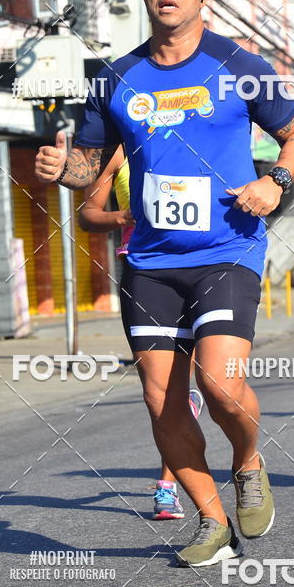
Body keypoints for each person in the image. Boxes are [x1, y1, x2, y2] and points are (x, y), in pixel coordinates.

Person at [36, 0, 294, 566]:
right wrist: (63, 169)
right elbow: (87, 166)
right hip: (150, 261)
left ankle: (247, 460)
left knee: (220, 382)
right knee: (161, 399)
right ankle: (212, 523)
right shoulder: (114, 77)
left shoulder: (239, 65)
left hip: (227, 248)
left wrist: (276, 182)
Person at [78, 143, 206, 520]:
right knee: (161, 394)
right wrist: (127, 216)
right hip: (147, 275)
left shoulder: (193, 136)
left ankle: (225, 464)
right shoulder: (115, 152)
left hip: (203, 268)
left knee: (202, 388)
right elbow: (88, 216)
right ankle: (167, 487)